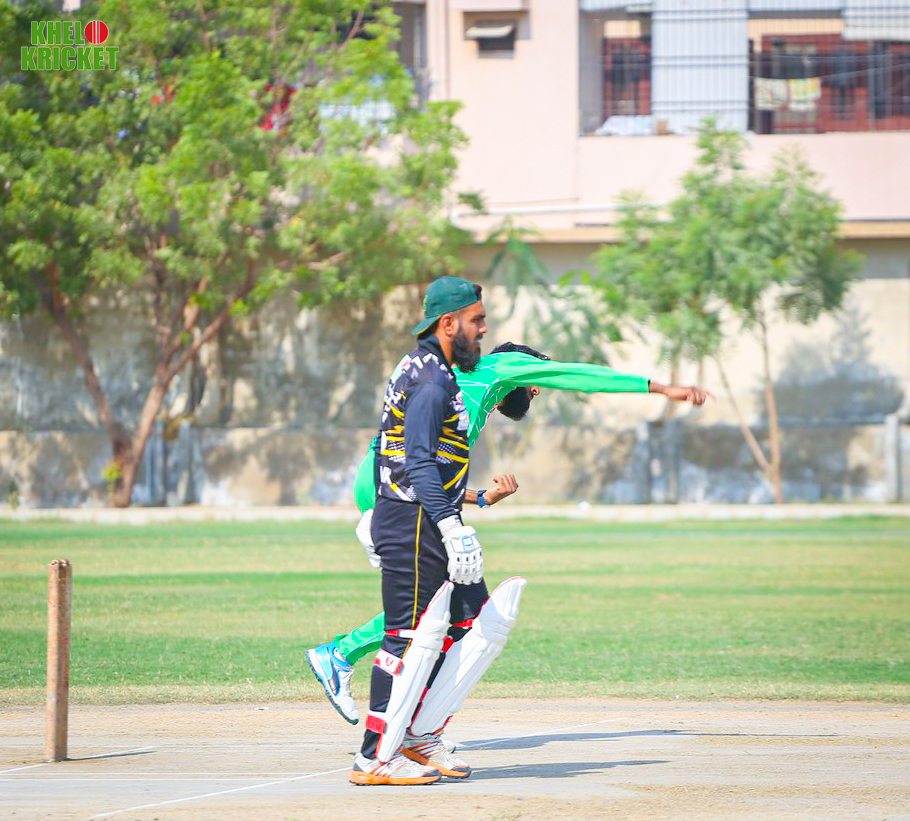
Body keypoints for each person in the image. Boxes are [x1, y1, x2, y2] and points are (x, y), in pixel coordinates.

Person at [349, 275, 495, 785]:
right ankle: (373, 757)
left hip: (423, 517)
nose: (483, 329)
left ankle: (417, 733)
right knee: (407, 638)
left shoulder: (433, 370)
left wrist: (463, 507)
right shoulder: (431, 380)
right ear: (448, 323)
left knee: (472, 621)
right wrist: (453, 526)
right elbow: (417, 462)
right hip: (414, 522)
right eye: (477, 320)